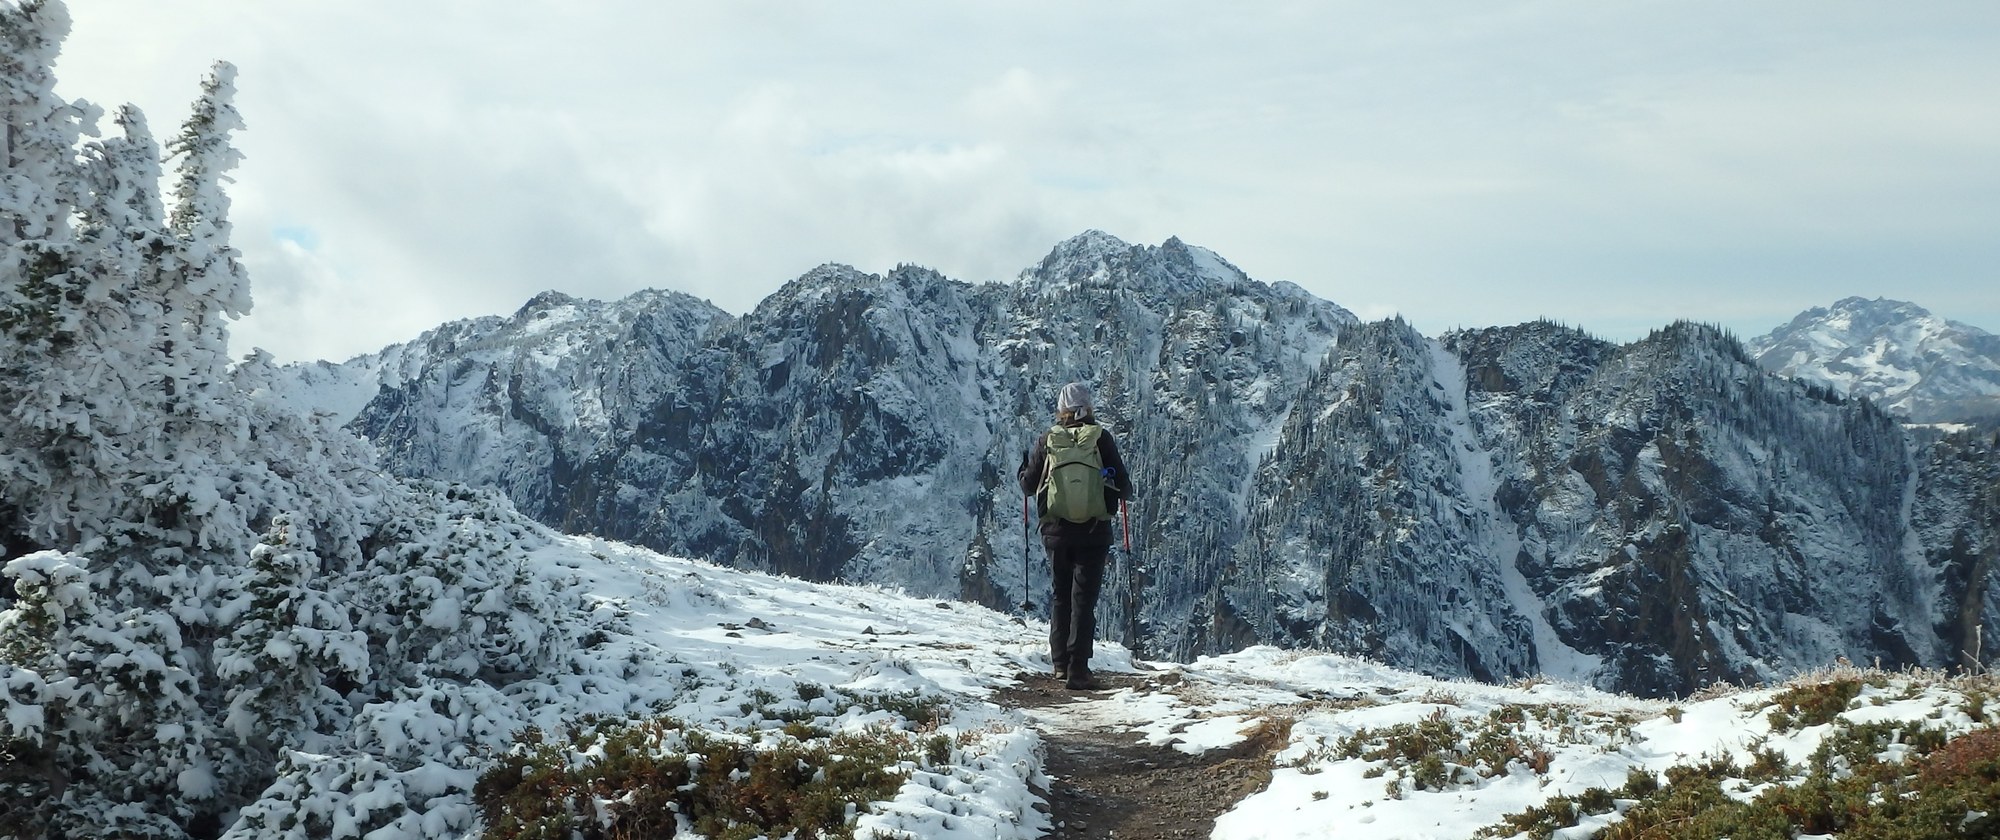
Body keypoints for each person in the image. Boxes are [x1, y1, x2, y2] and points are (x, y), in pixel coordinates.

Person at [1019, 382, 1133, 690]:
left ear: (1062, 411)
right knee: (1083, 600)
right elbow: (1125, 488)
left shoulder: (1047, 440)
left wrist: (1022, 470)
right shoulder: (1101, 439)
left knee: (1060, 595)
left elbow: (1028, 487)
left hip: (1056, 532)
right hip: (1094, 532)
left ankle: (1059, 665)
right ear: (1088, 408)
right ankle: (1079, 670)